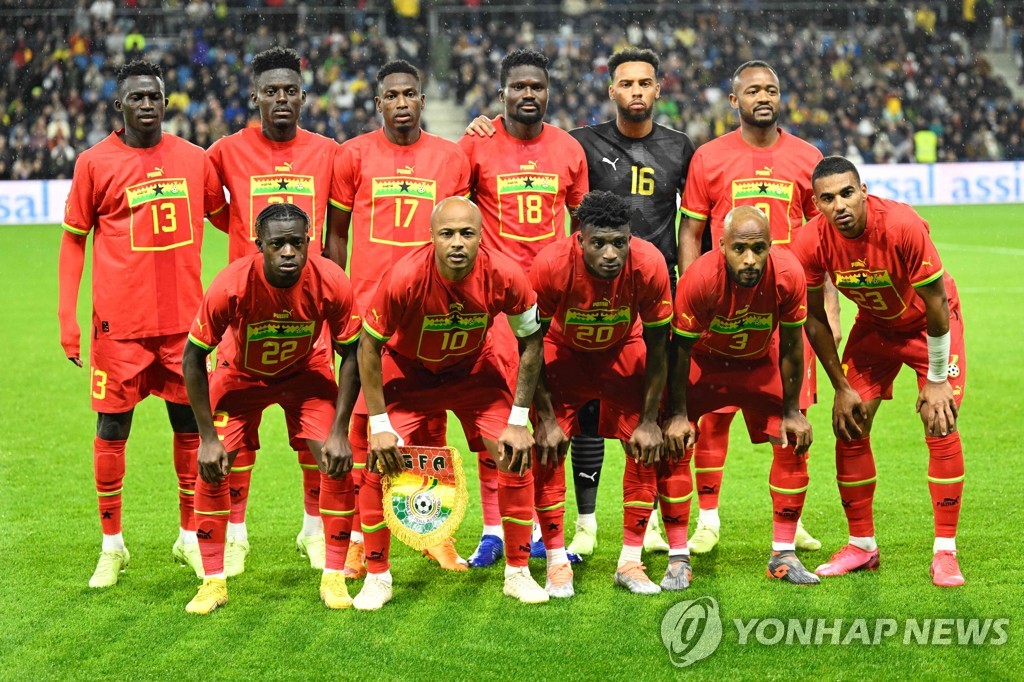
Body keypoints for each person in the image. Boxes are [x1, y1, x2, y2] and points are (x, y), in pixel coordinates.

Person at [58, 60, 227, 588]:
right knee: (112, 429)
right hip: (120, 329)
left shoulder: (195, 160)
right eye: (137, 98)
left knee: (190, 429)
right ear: (119, 106)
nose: (147, 104)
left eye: (155, 96)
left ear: (166, 102)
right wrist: (68, 320)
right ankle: (112, 546)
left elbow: (233, 220)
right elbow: (72, 241)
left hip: (185, 328)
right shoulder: (94, 163)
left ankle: (189, 536)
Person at [355, 196, 549, 609]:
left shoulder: (504, 274)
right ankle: (377, 577)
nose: (457, 242)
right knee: (379, 463)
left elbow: (532, 343)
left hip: (472, 373)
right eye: (447, 234)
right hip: (410, 375)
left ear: (481, 236)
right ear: (431, 238)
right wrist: (379, 425)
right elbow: (368, 347)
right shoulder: (405, 276)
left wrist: (518, 419)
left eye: (466, 233)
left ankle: (518, 572)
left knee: (513, 454)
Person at [678, 60, 833, 554]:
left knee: (791, 416)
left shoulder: (809, 157)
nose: (762, 97)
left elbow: (822, 240)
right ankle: (707, 519)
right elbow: (691, 232)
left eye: (771, 89)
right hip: (724, 308)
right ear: (734, 101)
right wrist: (692, 293)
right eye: (752, 91)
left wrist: (826, 310)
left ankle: (792, 521)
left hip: (788, 311)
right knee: (714, 415)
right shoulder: (709, 157)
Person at [791, 156, 967, 588]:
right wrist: (840, 386)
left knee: (939, 421)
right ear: (817, 204)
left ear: (864, 191)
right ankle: (862, 546)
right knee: (850, 424)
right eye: (828, 198)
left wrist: (939, 378)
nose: (840, 205)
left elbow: (938, 303)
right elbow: (813, 318)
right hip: (874, 328)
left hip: (930, 327)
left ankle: (945, 553)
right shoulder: (810, 240)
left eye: (847, 193)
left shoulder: (901, 225)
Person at [326, 59, 472, 577]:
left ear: (422, 100)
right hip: (368, 315)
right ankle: (362, 542)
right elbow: (337, 236)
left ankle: (433, 532)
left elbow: (462, 232)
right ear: (379, 103)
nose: (403, 102)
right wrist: (337, 299)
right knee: (366, 429)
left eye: (411, 93)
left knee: (430, 429)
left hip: (429, 317)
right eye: (393, 95)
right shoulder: (354, 155)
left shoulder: (451, 159)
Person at [181, 204, 362, 614]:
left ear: (309, 242)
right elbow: (192, 358)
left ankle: (334, 576)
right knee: (211, 464)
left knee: (335, 460)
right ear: (258, 244)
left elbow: (352, 353)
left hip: (306, 374)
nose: (287, 252)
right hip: (239, 376)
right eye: (277, 244)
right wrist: (207, 438)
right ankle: (213, 582)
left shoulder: (331, 281)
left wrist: (339, 430)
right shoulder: (232, 284)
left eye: (296, 243)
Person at [206, 46, 340, 575]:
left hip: (310, 317)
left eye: (290, 90)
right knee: (237, 435)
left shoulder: (331, 152)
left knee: (314, 434)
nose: (281, 98)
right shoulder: (224, 152)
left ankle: (312, 529)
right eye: (271, 90)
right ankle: (235, 535)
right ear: (255, 96)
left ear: (303, 97)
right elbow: (217, 211)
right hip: (246, 318)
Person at [561, 47, 695, 557]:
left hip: (655, 295)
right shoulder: (582, 144)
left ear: (659, 88)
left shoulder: (681, 148)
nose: (636, 91)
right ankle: (588, 524)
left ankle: (652, 521)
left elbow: (696, 217)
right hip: (596, 293)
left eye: (645, 82)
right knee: (590, 410)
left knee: (653, 410)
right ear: (611, 90)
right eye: (626, 83)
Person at [459, 48, 588, 565]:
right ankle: (494, 531)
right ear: (502, 92)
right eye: (518, 86)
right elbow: (457, 217)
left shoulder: (568, 149)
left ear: (548, 91)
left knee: (545, 415)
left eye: (536, 86)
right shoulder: (476, 146)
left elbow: (581, 225)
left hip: (550, 303)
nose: (528, 94)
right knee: (496, 416)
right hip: (493, 306)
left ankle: (541, 529)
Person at [529, 190, 687, 595]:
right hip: (564, 354)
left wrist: (651, 420)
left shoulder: (650, 263)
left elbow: (659, 348)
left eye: (619, 241)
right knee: (546, 448)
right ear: (579, 239)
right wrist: (545, 419)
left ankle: (630, 562)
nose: (610, 253)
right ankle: (556, 561)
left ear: (630, 238)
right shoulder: (549, 265)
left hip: (623, 350)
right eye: (598, 242)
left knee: (645, 445)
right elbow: (529, 344)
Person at [663, 206, 819, 585]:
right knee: (676, 443)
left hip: (760, 361)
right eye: (739, 249)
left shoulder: (788, 273)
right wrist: (679, 413)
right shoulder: (700, 277)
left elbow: (792, 345)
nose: (750, 259)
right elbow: (679, 349)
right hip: (705, 363)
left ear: (771, 246)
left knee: (791, 440)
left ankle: (783, 554)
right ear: (721, 246)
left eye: (759, 248)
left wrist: (792, 410)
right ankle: (677, 557)